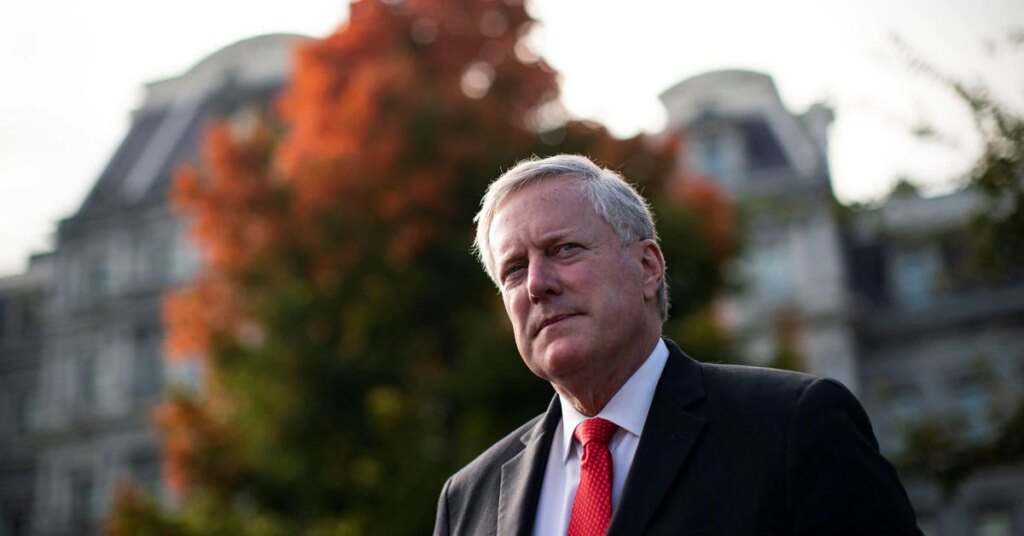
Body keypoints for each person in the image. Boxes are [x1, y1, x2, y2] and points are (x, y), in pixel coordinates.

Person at [433, 154, 921, 535]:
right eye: (514, 270)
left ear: (648, 267)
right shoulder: (469, 499)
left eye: (564, 249)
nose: (537, 284)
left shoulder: (793, 427)